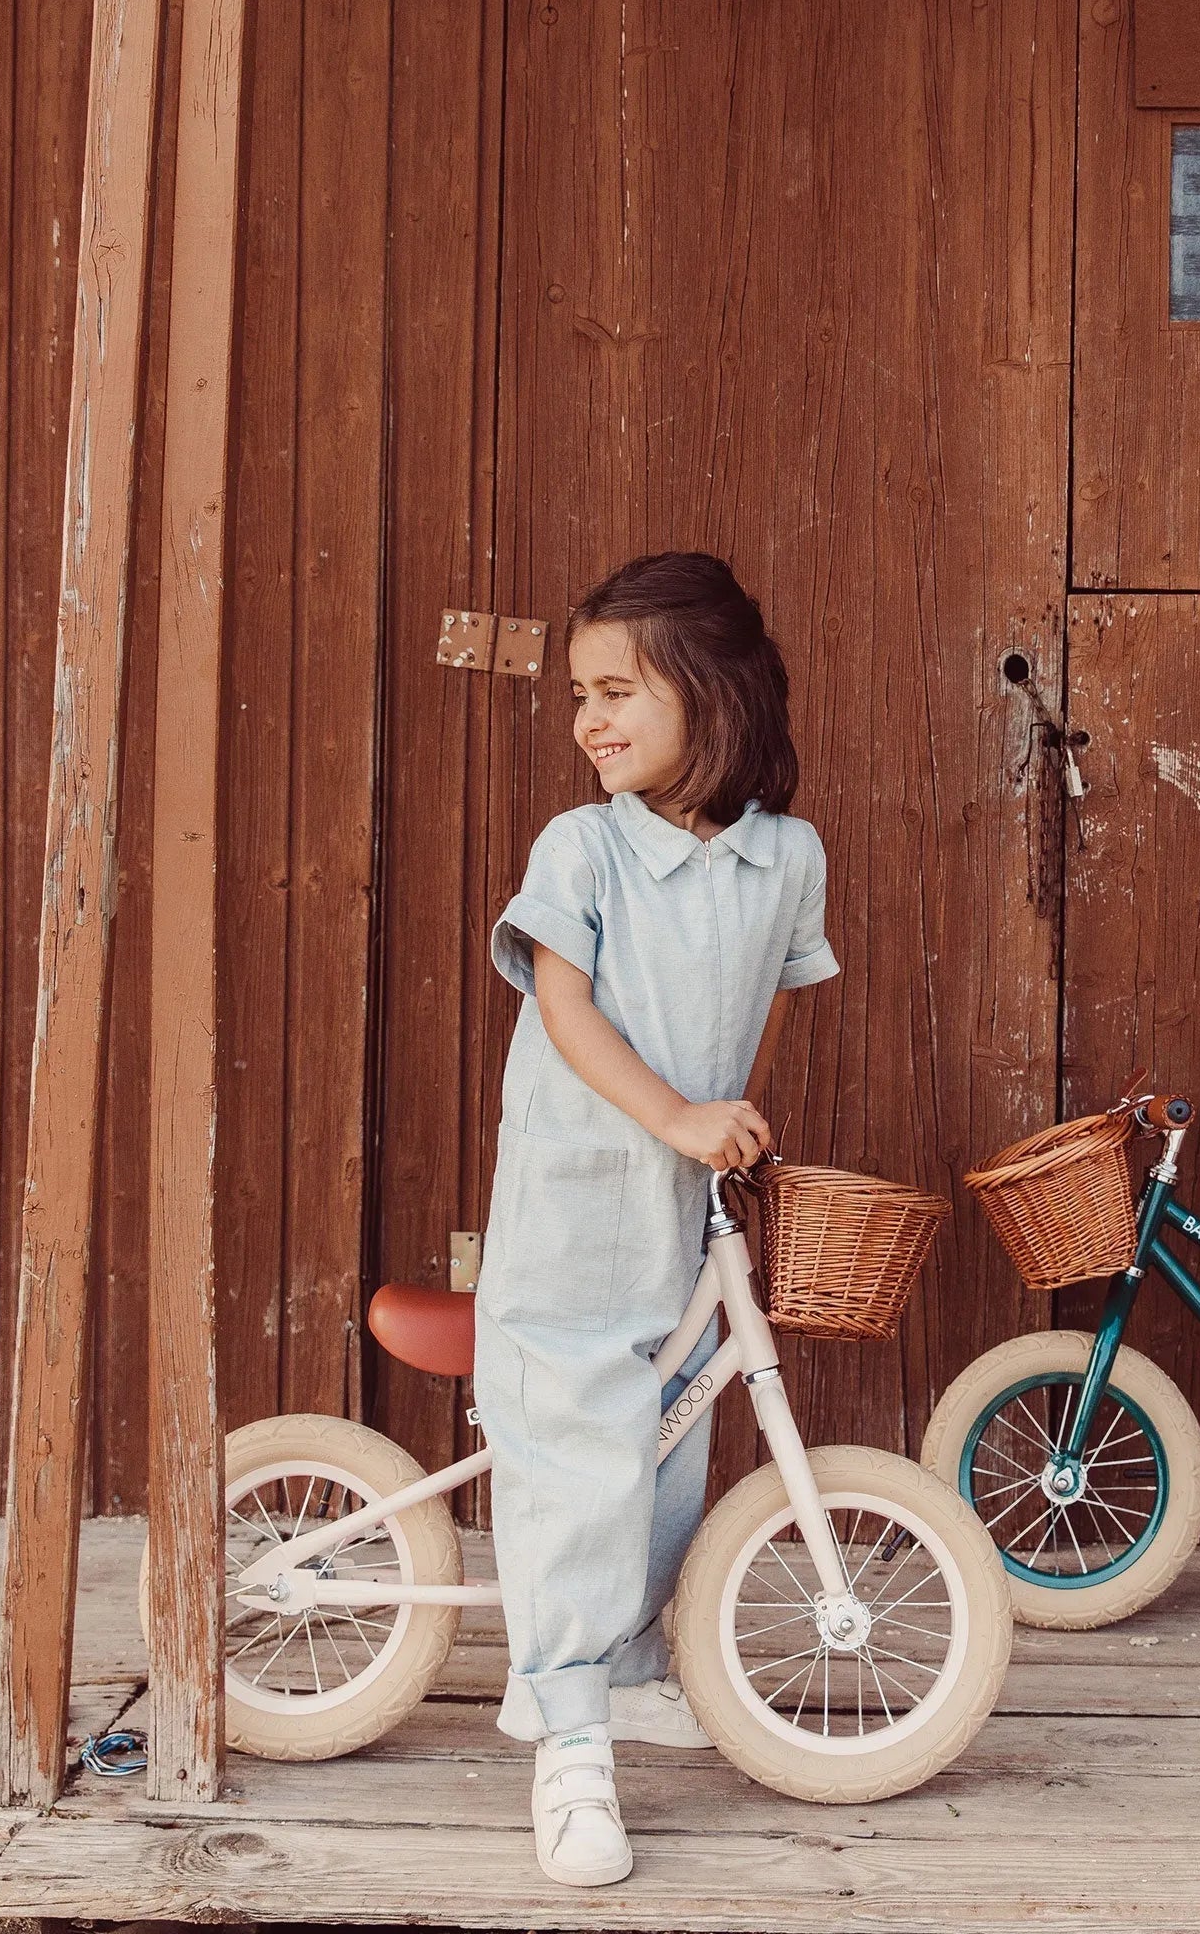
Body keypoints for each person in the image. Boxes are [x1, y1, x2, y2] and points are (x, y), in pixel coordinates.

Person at [474, 553, 839, 1886]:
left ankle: (624, 1675)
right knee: (579, 1442)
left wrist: (728, 1116)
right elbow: (565, 1009)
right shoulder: (582, 849)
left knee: (672, 1437)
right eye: (579, 695)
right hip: (578, 1188)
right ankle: (566, 1737)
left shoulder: (785, 856)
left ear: (713, 692)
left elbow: (772, 995)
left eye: (618, 691)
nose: (591, 720)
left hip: (684, 1199)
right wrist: (676, 1113)